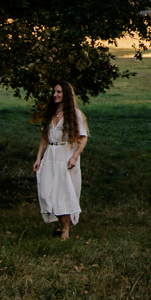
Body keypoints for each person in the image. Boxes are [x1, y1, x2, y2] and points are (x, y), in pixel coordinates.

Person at [33, 81, 88, 240]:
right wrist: (38, 158)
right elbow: (44, 138)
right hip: (50, 156)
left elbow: (83, 139)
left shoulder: (75, 114)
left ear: (66, 94)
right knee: (46, 193)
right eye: (54, 92)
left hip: (65, 157)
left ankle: (65, 230)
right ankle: (61, 223)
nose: (55, 95)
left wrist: (74, 157)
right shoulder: (50, 113)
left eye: (59, 92)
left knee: (62, 193)